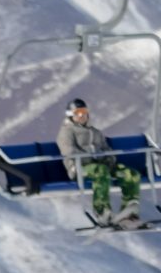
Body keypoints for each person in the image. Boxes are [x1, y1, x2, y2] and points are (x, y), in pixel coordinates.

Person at [58, 98, 141, 228]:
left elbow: (106, 148)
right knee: (100, 171)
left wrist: (109, 158)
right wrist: (90, 157)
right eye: (77, 113)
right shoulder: (67, 131)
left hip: (101, 166)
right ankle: (102, 211)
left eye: (84, 112)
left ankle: (128, 210)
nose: (81, 116)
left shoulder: (95, 132)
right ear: (70, 115)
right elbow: (69, 151)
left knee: (130, 173)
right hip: (80, 168)